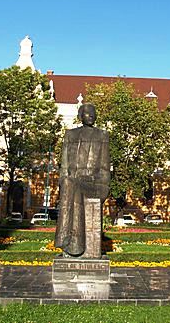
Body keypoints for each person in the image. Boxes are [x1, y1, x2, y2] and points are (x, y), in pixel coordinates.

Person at [54, 103, 110, 257]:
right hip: (72, 184)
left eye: (93, 112)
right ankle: (71, 241)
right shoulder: (70, 135)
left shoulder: (102, 135)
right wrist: (64, 180)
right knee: (69, 182)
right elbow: (64, 167)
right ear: (80, 116)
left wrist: (90, 177)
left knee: (72, 184)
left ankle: (71, 242)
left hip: (96, 185)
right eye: (87, 113)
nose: (91, 115)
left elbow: (105, 172)